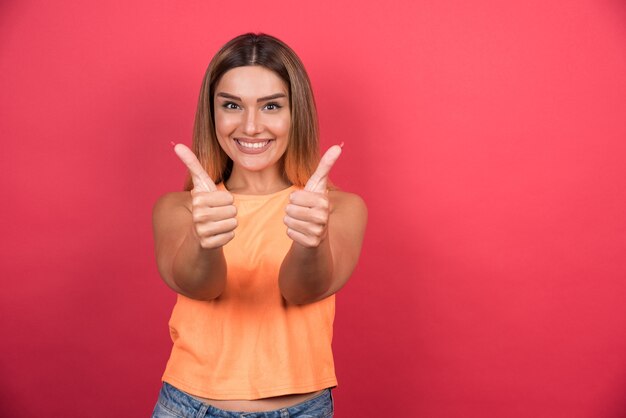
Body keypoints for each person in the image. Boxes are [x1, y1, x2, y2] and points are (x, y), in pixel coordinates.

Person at [151, 33, 367, 418]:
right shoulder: (180, 208)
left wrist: (310, 242)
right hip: (188, 408)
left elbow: (302, 291)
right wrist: (205, 241)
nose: (251, 126)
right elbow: (201, 286)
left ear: (295, 113)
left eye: (270, 106)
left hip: (304, 410)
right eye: (232, 105)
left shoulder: (339, 209)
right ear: (212, 113)